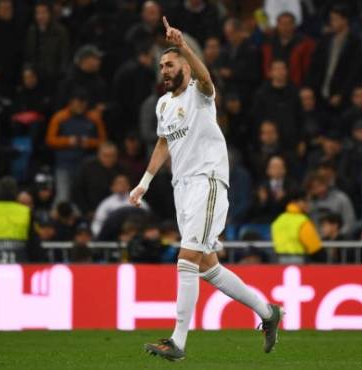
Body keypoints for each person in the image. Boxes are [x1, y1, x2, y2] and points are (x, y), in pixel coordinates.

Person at [129, 18, 282, 361]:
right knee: (207, 267)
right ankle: (268, 312)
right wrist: (144, 182)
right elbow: (163, 143)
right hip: (181, 187)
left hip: (208, 181)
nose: (164, 70)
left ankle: (178, 341)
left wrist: (183, 46)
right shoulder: (163, 105)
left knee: (186, 260)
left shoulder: (200, 95)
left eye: (169, 64)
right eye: (161, 66)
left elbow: (206, 77)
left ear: (184, 64)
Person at [271, 192, 323, 264]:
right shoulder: (302, 221)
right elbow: (314, 248)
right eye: (305, 201)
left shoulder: (278, 220)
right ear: (295, 202)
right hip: (299, 261)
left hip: (278, 261)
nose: (308, 204)